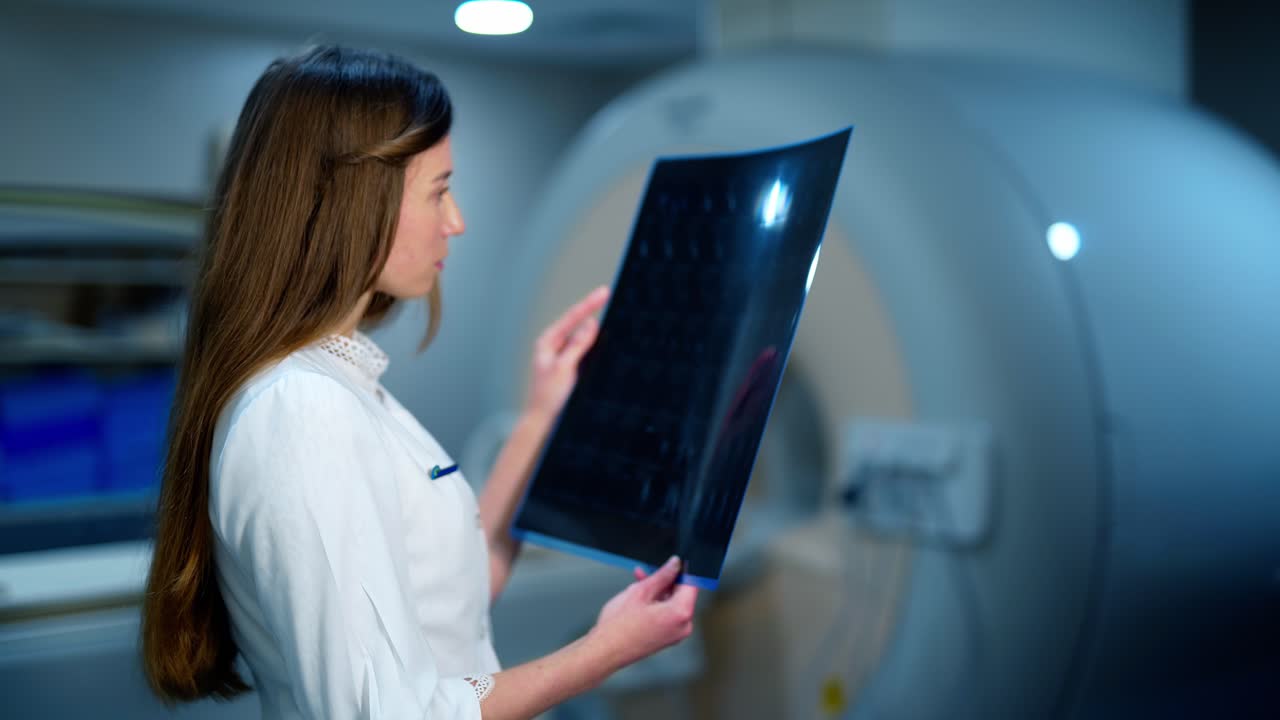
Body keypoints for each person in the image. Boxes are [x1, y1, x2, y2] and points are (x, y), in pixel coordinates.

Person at [140, 45, 698, 720]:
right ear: (354, 201)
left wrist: (539, 418)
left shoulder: (342, 387)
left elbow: (452, 599)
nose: (456, 220)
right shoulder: (301, 411)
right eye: (438, 191)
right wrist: (603, 651)